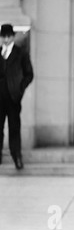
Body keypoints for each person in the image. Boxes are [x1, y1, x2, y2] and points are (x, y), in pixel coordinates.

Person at [0, 24, 34, 170]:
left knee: (14, 128)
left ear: (13, 37)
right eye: (4, 37)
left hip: (13, 97)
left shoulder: (21, 53)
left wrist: (20, 88)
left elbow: (29, 74)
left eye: (8, 36)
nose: (6, 39)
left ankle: (17, 156)